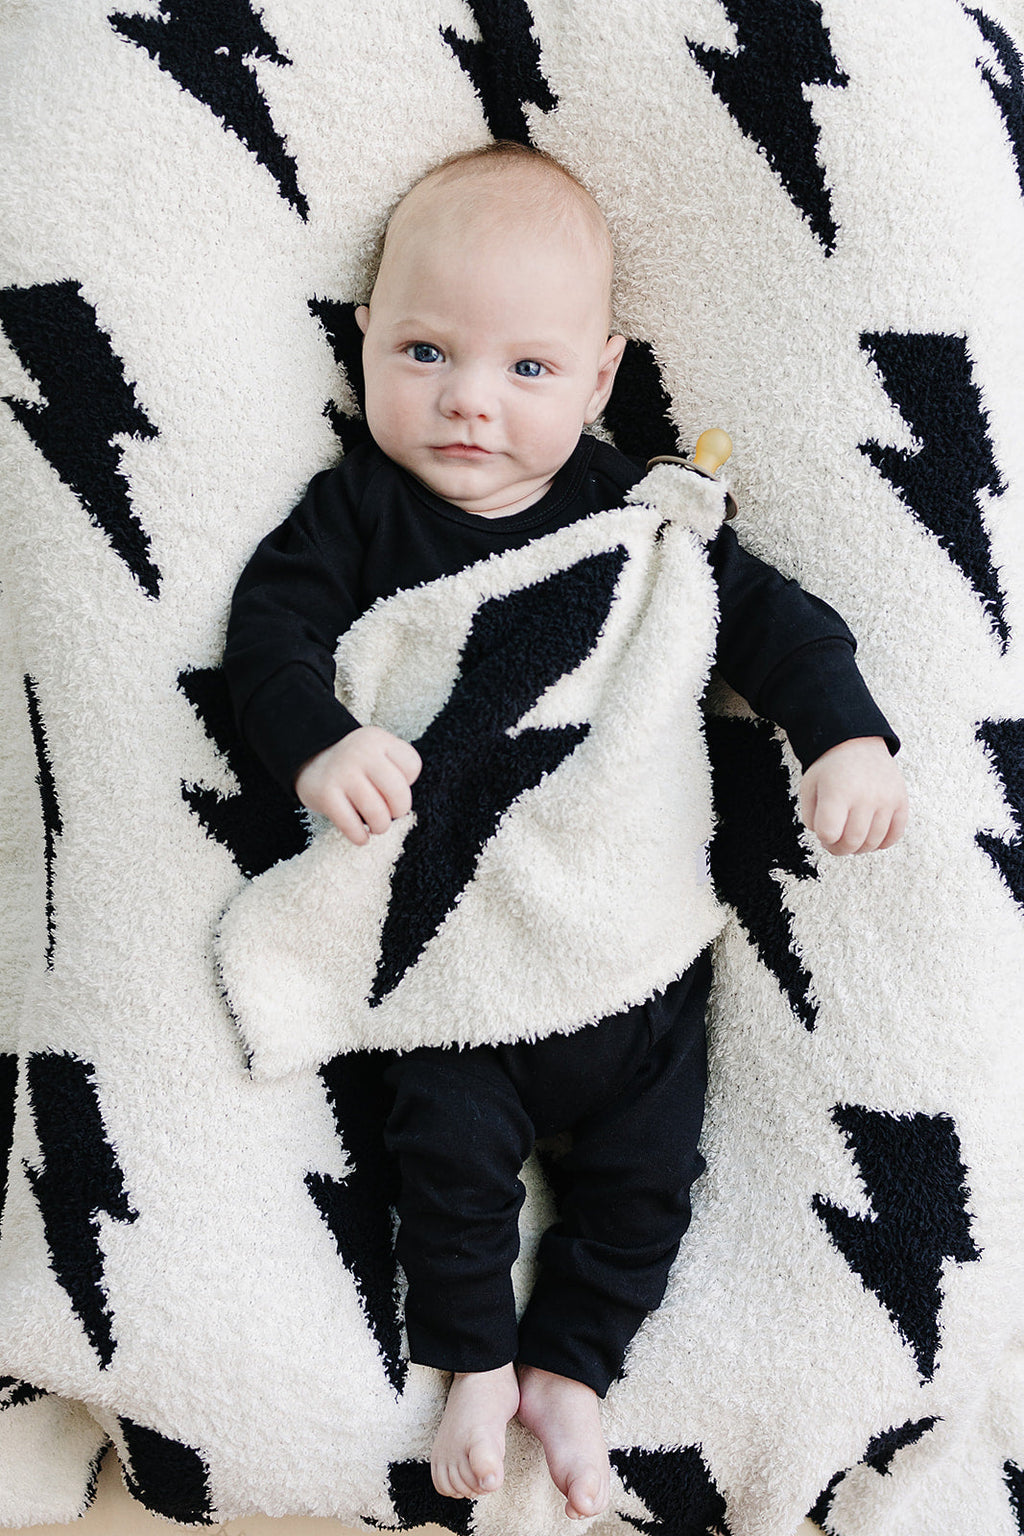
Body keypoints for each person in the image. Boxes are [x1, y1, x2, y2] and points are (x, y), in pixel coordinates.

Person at [223, 142, 908, 1520]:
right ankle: (475, 1362)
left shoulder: (633, 520)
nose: (469, 401)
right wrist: (323, 742)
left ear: (599, 381)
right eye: (425, 352)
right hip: (462, 956)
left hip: (628, 945)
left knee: (649, 1183)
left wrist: (843, 737)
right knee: (444, 1163)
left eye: (527, 368)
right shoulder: (359, 512)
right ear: (364, 339)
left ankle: (577, 1370)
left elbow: (770, 623)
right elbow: (267, 644)